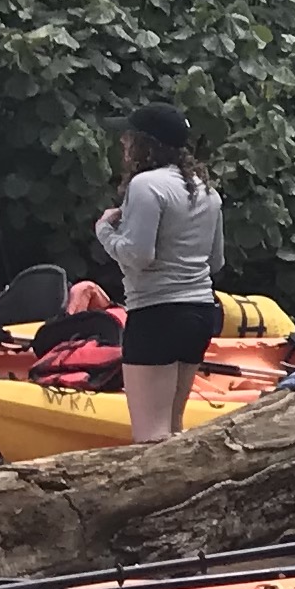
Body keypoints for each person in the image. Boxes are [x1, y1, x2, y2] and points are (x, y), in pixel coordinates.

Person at [96, 103, 225, 445]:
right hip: (200, 313)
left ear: (144, 143)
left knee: (150, 437)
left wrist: (105, 232)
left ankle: (154, 499)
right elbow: (215, 262)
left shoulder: (146, 185)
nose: (123, 143)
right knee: (174, 428)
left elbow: (139, 256)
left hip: (157, 314)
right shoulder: (206, 190)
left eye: (128, 136)